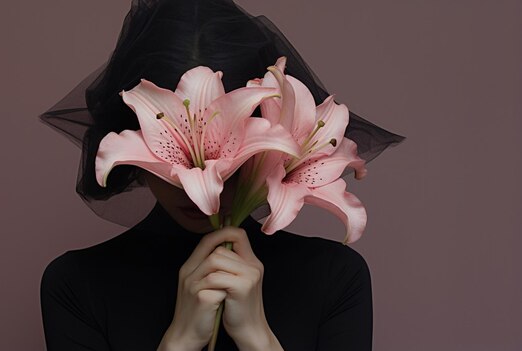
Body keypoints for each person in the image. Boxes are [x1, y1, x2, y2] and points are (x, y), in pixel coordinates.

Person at [38, 0, 405, 350]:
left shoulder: (336, 278)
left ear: (268, 137)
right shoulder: (75, 286)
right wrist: (178, 342)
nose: (198, 178)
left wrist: (256, 336)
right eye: (172, 153)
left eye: (230, 150)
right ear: (134, 139)